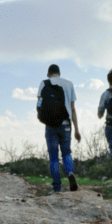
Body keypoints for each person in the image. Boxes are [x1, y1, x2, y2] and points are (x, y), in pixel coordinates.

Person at [38, 64, 81, 193]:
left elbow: (39, 105)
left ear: (48, 73)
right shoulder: (69, 84)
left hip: (50, 125)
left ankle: (57, 187)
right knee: (66, 152)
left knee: (54, 157)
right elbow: (73, 109)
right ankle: (70, 172)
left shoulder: (44, 83)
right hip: (66, 124)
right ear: (59, 73)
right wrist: (77, 129)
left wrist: (44, 118)